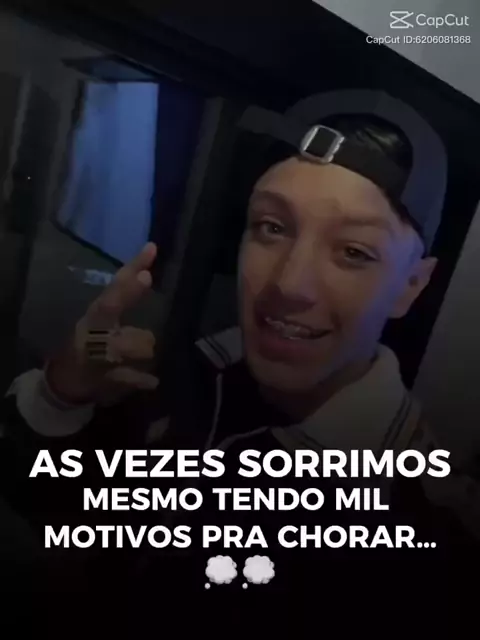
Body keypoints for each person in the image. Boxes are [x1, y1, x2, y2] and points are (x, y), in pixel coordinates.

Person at [1, 90, 479, 625]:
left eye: (353, 252)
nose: (289, 284)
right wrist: (62, 394)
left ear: (410, 286)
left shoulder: (426, 535)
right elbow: (64, 521)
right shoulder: (184, 376)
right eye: (272, 228)